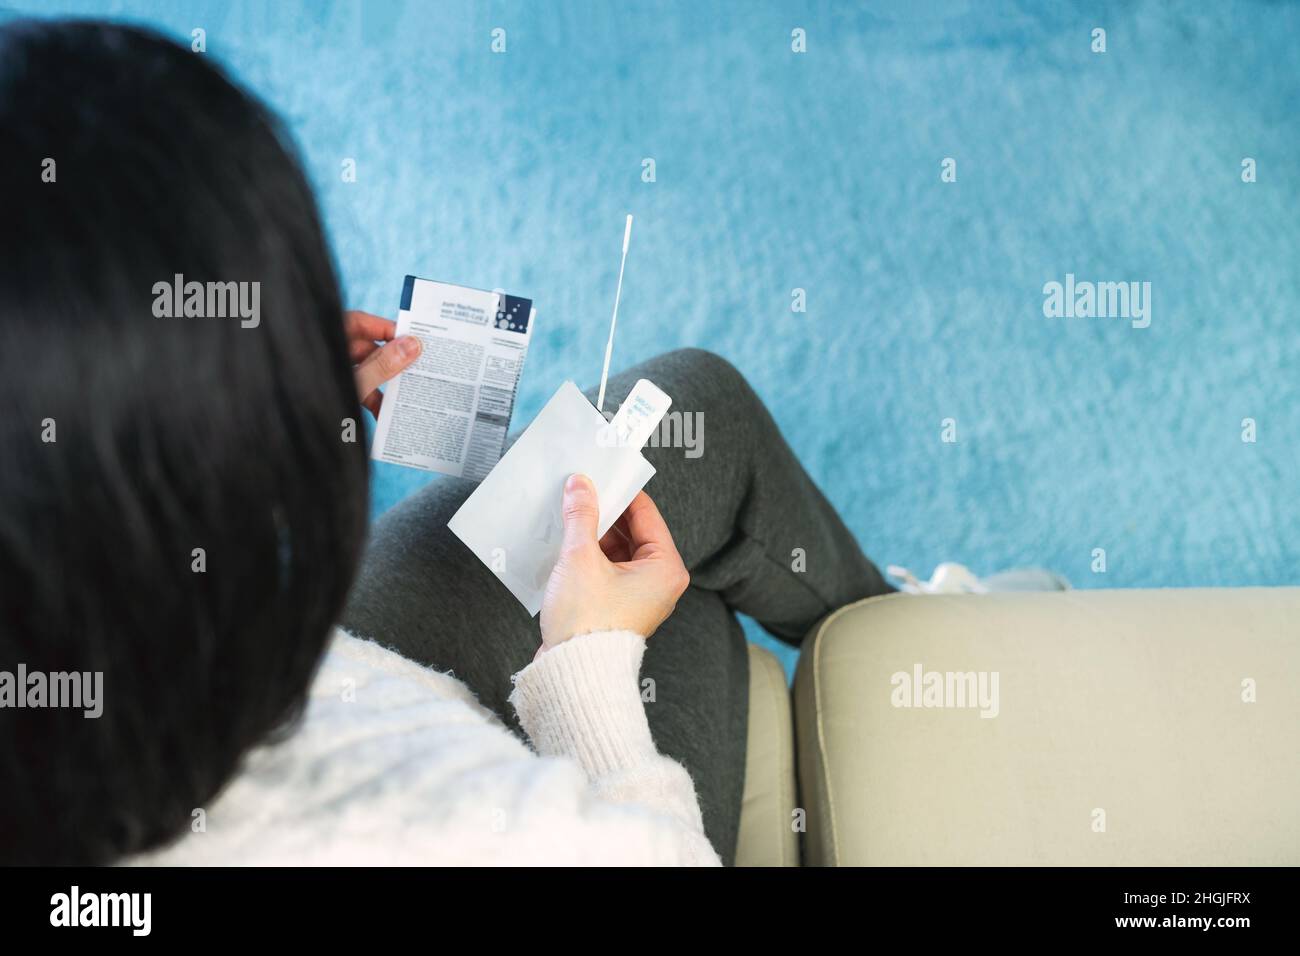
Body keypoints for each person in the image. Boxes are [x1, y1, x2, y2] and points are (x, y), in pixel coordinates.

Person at [0, 20, 897, 866]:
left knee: (678, 456)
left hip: (251, 699)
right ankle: (913, 629)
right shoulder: (470, 834)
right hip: (359, 725)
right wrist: (588, 673)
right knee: (688, 497)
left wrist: (233, 426)